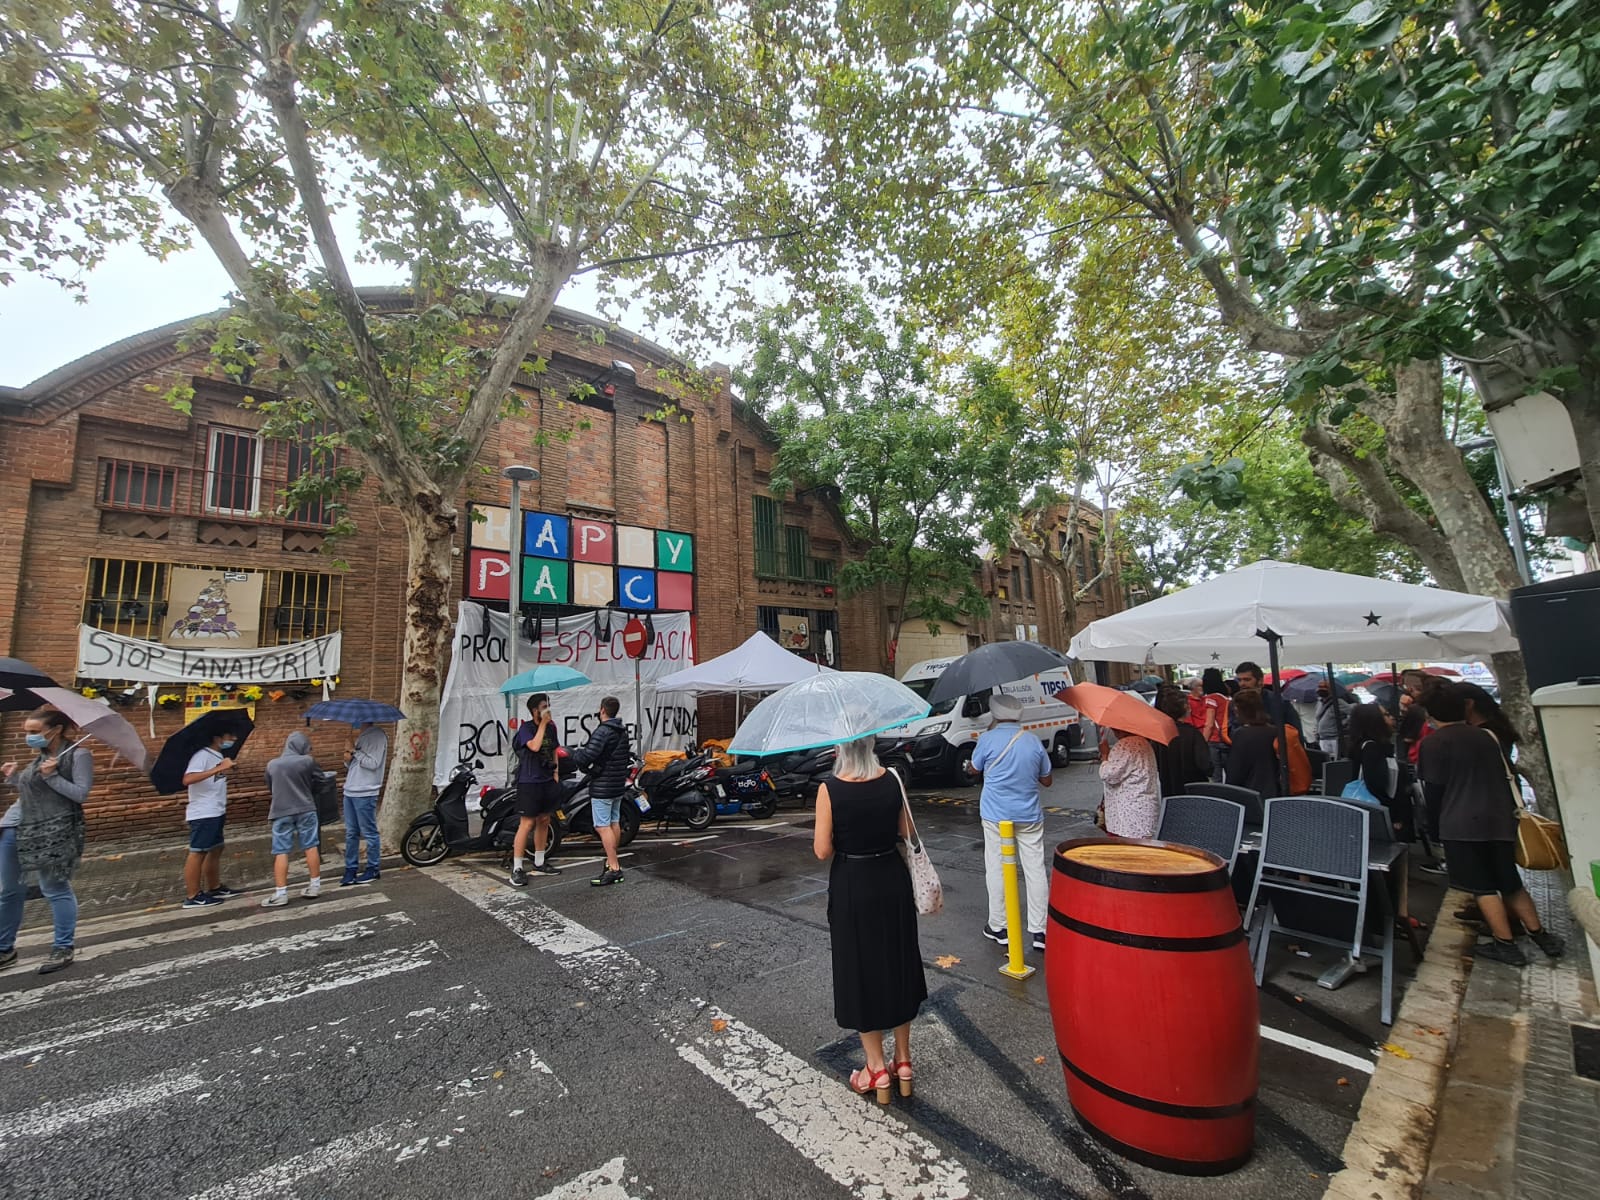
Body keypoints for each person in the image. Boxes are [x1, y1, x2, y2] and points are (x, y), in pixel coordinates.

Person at [813, 734, 927, 1104]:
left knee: (860, 969)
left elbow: (822, 850)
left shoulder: (830, 790)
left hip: (853, 884)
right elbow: (907, 832)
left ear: (840, 749)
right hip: (891, 879)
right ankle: (903, 1061)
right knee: (899, 962)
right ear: (871, 745)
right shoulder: (892, 779)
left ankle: (876, 1068)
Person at [1417, 683, 1563, 966]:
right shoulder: (1488, 736)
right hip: (1500, 819)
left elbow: (1433, 791)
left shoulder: (1434, 743)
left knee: (1482, 887)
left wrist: (1433, 828)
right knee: (1510, 882)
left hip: (1460, 823)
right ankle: (1541, 934)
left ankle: (1505, 943)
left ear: (1431, 713)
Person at [0, 709, 91, 974]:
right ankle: (5, 949)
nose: (29, 737)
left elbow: (80, 794)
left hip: (53, 831)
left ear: (56, 730)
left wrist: (52, 775)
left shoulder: (78, 755)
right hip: (14, 827)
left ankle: (63, 947)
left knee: (55, 888)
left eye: (34, 732)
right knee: (10, 891)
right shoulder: (40, 756)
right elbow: (33, 793)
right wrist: (13, 778)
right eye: (27, 732)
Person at [968, 693, 1053, 953]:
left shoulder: (987, 739)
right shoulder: (1032, 740)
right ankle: (1040, 930)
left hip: (995, 815)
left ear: (994, 714)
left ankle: (999, 926)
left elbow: (973, 769)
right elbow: (1047, 780)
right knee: (1035, 869)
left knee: (996, 867)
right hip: (1029, 815)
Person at [566, 696, 632, 887]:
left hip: (603, 785)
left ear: (602, 709)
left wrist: (573, 754)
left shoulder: (603, 731)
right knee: (614, 822)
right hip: (617, 784)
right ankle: (611, 862)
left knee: (602, 826)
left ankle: (614, 867)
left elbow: (588, 755)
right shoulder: (622, 731)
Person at [182, 726, 242, 908]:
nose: (233, 738)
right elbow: (188, 779)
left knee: (216, 848)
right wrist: (219, 769)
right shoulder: (202, 755)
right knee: (198, 852)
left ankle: (214, 887)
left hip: (216, 810)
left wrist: (226, 767)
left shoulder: (218, 756)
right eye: (229, 734)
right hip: (203, 812)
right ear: (217, 738)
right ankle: (193, 896)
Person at [262, 731, 323, 907]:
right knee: (311, 845)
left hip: (281, 810)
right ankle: (314, 886)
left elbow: (271, 786)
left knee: (281, 851)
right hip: (306, 808)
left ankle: (281, 893)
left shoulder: (272, 765)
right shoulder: (307, 761)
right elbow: (320, 780)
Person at [510, 692, 562, 886]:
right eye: (543, 707)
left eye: (548, 706)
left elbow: (554, 749)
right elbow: (534, 746)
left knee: (545, 819)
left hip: (547, 780)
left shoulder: (552, 727)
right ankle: (517, 867)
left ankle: (540, 861)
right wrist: (542, 724)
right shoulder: (526, 728)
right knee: (527, 823)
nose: (547, 710)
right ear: (534, 711)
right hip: (530, 781)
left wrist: (556, 773)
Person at [1342, 703, 1409, 839]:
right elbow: (1376, 784)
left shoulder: (1367, 745)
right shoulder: (1372, 748)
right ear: (1374, 720)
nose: (1391, 718)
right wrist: (1393, 813)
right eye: (1386, 715)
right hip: (1381, 811)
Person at [341, 721, 387, 886]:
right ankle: (350, 868)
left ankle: (373, 868)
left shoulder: (378, 736)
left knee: (369, 832)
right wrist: (348, 755)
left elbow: (373, 764)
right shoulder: (362, 736)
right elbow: (353, 765)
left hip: (366, 791)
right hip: (350, 790)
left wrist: (354, 751)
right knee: (351, 832)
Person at [1100, 725, 1160, 838]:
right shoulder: (1145, 743)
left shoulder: (1125, 745)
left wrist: (1104, 756)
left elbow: (1109, 775)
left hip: (1127, 815)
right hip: (1145, 809)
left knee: (1127, 846)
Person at [1225, 688, 1282, 798]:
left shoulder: (1241, 734)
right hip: (1275, 790)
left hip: (1250, 791)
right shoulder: (1275, 731)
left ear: (1239, 710)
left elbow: (1235, 770)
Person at [1154, 689, 1210, 798]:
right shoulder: (1192, 734)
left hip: (1168, 789)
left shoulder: (1160, 733)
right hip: (1193, 789)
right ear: (1185, 707)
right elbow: (1205, 764)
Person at [1232, 661, 1303, 735]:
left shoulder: (1277, 702)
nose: (1242, 684)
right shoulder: (1236, 703)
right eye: (1239, 680)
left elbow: (1295, 730)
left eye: (1247, 680)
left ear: (1260, 680)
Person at [1199, 667, 1231, 781]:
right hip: (1226, 737)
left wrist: (1203, 742)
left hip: (1214, 739)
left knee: (1216, 776)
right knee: (1230, 773)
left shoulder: (1211, 699)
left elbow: (1209, 723)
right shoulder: (1227, 698)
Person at [1314, 681, 1357, 757]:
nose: (1321, 689)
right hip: (1323, 738)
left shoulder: (1338, 702)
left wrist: (1343, 723)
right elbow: (1317, 719)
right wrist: (1316, 732)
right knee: (1327, 760)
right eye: (1319, 687)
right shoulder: (1319, 702)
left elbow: (1353, 713)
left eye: (1324, 687)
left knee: (1337, 759)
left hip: (1335, 738)